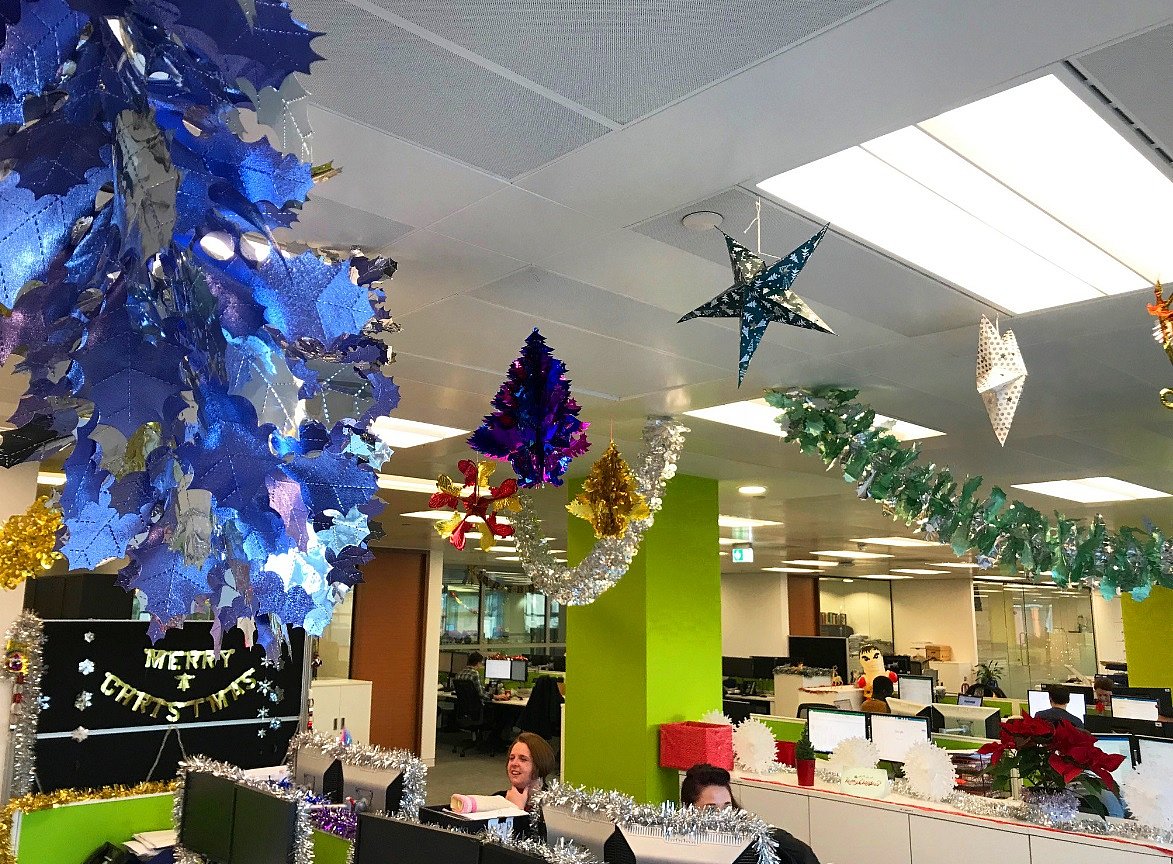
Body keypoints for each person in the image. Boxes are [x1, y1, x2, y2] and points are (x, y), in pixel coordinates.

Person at [681, 764, 820, 864]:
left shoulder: (756, 840)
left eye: (727, 807)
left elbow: (804, 855)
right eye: (711, 809)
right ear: (689, 810)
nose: (722, 816)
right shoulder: (678, 848)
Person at [493, 732, 556, 814]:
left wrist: (517, 812)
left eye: (523, 759)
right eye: (511, 758)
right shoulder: (497, 800)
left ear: (540, 764)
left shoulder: (554, 807)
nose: (514, 763)